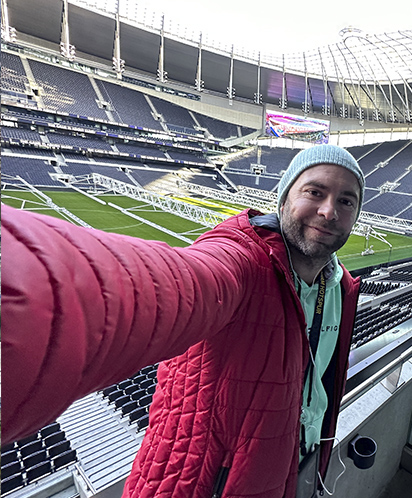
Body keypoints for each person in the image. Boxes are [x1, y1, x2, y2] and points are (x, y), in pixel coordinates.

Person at [1, 144, 365, 498]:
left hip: (295, 470)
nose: (329, 211)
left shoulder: (340, 288)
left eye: (346, 200)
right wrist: (31, 290)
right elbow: (177, 283)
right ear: (284, 198)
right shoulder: (242, 260)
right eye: (315, 192)